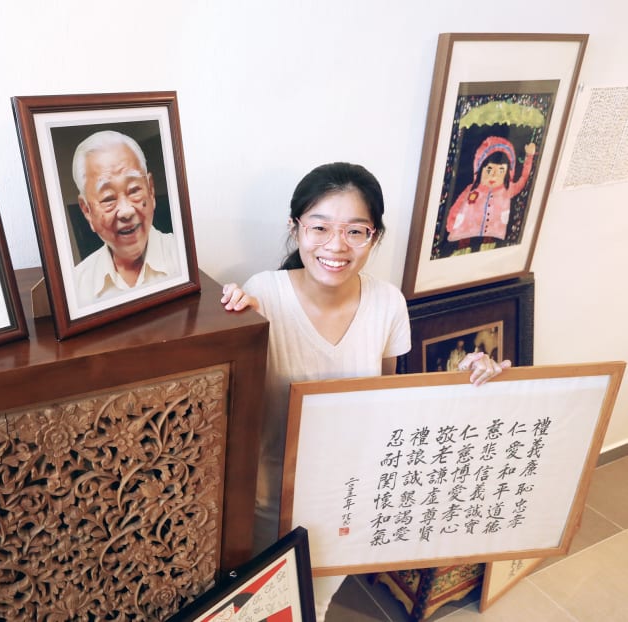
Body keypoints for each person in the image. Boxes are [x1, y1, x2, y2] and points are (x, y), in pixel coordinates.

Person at [220, 162, 509, 621]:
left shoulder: (387, 302)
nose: (337, 246)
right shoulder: (264, 294)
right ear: (296, 229)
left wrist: (470, 378)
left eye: (356, 231)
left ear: (374, 237)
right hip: (268, 500)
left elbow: (388, 401)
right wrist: (232, 324)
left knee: (310, 606)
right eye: (320, 227)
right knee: (257, 608)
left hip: (348, 496)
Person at [70, 130, 180, 305]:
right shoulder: (76, 287)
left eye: (134, 190)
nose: (126, 211)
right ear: (87, 211)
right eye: (108, 198)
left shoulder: (183, 255)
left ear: (151, 190)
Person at [446, 136, 535, 243]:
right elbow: (458, 204)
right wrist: (452, 220)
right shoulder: (472, 189)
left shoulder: (507, 190)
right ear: (479, 169)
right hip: (466, 232)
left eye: (501, 171)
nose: (493, 176)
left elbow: (523, 179)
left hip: (494, 234)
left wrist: (529, 157)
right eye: (489, 170)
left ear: (508, 172)